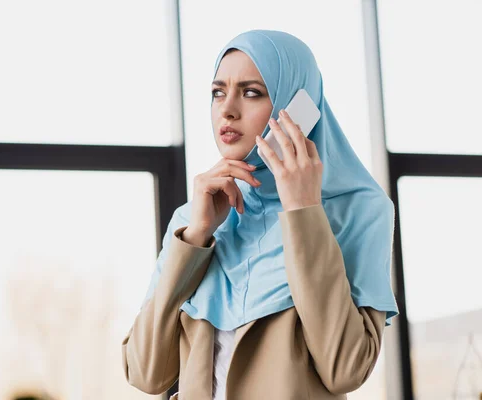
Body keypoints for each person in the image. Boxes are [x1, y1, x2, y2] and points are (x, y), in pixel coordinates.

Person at [121, 30, 398, 400]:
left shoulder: (360, 210)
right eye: (218, 92)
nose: (227, 109)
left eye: (251, 92)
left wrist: (303, 212)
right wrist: (196, 238)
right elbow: (145, 373)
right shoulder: (194, 218)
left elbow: (345, 369)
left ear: (300, 107)